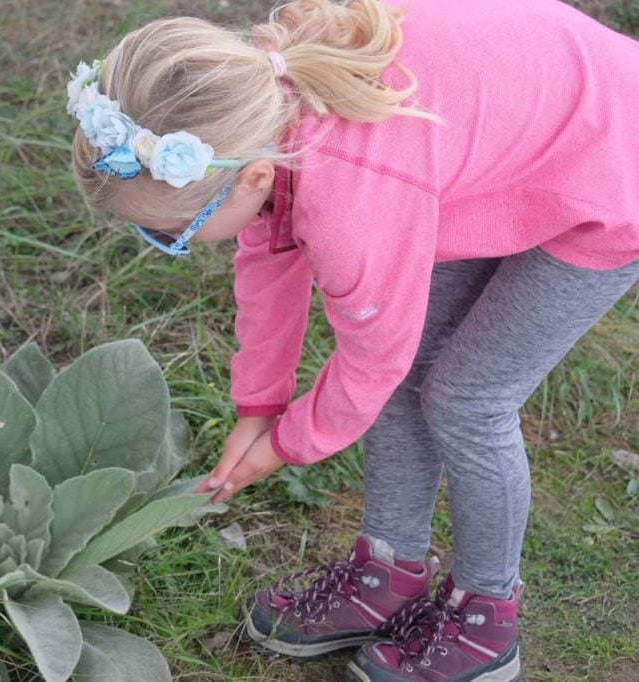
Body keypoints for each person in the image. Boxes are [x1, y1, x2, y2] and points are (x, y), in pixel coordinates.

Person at [67, 0, 639, 679]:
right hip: (497, 141)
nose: (170, 247)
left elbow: (374, 359)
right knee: (414, 379)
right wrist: (258, 406)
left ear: (248, 179)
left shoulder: (354, 199)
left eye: (173, 234)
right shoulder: (258, 119)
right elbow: (267, 258)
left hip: (611, 167)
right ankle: (390, 571)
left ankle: (487, 618)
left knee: (466, 401)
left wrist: (286, 445)